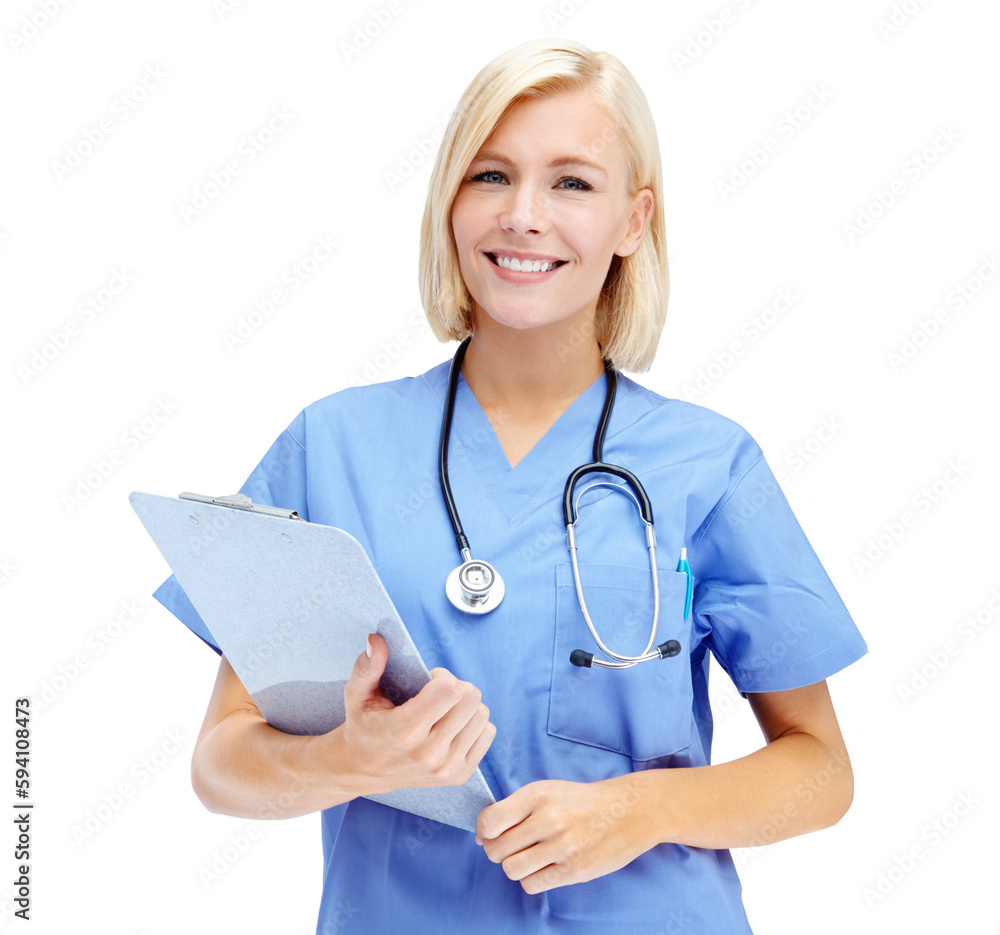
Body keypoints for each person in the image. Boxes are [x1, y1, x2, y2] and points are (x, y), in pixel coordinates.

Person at [153, 38, 868, 934]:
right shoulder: (333, 445)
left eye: (572, 182)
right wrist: (350, 758)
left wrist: (639, 810)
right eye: (490, 175)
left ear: (634, 220)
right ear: (449, 202)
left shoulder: (708, 462)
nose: (523, 215)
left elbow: (821, 770)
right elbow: (221, 763)